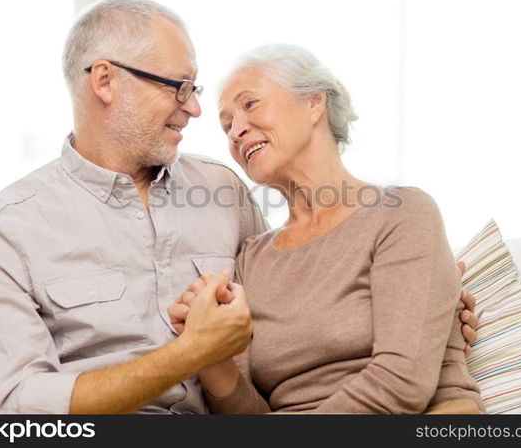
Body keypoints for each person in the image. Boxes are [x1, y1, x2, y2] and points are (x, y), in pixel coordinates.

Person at [0, 0, 478, 414]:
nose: (197, 110)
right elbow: (17, 409)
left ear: (316, 102)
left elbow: (321, 297)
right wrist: (192, 356)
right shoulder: (4, 232)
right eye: (179, 87)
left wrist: (430, 296)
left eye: (241, 104)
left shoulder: (224, 193)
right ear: (106, 81)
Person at [169, 43, 485, 414]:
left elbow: (402, 381)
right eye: (226, 126)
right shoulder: (252, 259)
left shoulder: (401, 214)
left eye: (250, 104)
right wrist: (209, 356)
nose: (236, 131)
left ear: (314, 103)